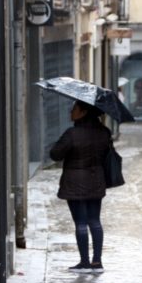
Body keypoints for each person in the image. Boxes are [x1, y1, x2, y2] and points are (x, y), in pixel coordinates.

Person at [49, 101, 112, 273]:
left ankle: (84, 262)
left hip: (75, 182)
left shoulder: (72, 134)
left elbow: (55, 154)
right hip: (96, 180)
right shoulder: (104, 132)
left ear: (83, 112)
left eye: (74, 109)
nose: (71, 111)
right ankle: (97, 262)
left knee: (81, 223)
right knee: (95, 221)